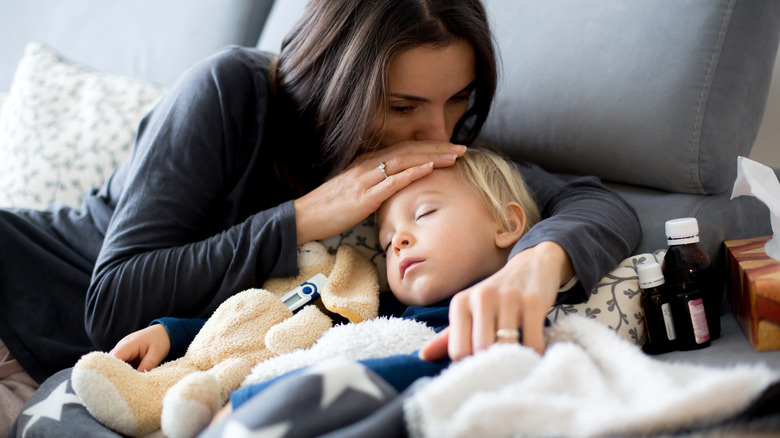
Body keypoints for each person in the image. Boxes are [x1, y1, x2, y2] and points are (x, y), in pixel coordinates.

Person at [1, 0, 640, 433]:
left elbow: (594, 200)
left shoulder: (432, 153)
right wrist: (300, 218)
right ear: (339, 85)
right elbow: (112, 300)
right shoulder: (229, 93)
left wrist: (533, 267)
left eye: (458, 101)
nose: (438, 132)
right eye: (402, 106)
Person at [111, 147, 543, 426]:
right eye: (387, 240)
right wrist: (175, 332)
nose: (399, 242)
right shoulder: (373, 303)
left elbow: (413, 371)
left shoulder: (500, 312)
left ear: (507, 223)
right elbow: (268, 319)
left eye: (425, 213)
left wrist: (257, 402)